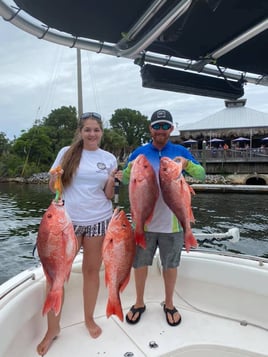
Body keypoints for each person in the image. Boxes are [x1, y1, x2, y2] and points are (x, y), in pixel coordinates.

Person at [37, 111, 122, 356]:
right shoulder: (66, 153)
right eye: (87, 130)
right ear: (80, 131)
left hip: (99, 221)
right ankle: (53, 329)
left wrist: (111, 179)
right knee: (55, 276)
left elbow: (108, 195)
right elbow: (54, 188)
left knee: (91, 271)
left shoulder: (109, 158)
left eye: (96, 130)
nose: (92, 134)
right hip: (67, 223)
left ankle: (88, 318)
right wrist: (54, 178)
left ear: (101, 132)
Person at [122, 109, 205, 327]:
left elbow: (201, 174)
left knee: (171, 265)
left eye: (165, 126)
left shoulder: (180, 151)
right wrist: (130, 170)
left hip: (174, 223)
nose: (161, 130)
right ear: (150, 128)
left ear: (171, 128)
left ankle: (169, 304)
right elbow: (123, 180)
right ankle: (139, 303)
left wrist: (187, 165)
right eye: (156, 126)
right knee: (140, 264)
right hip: (144, 223)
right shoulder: (139, 152)